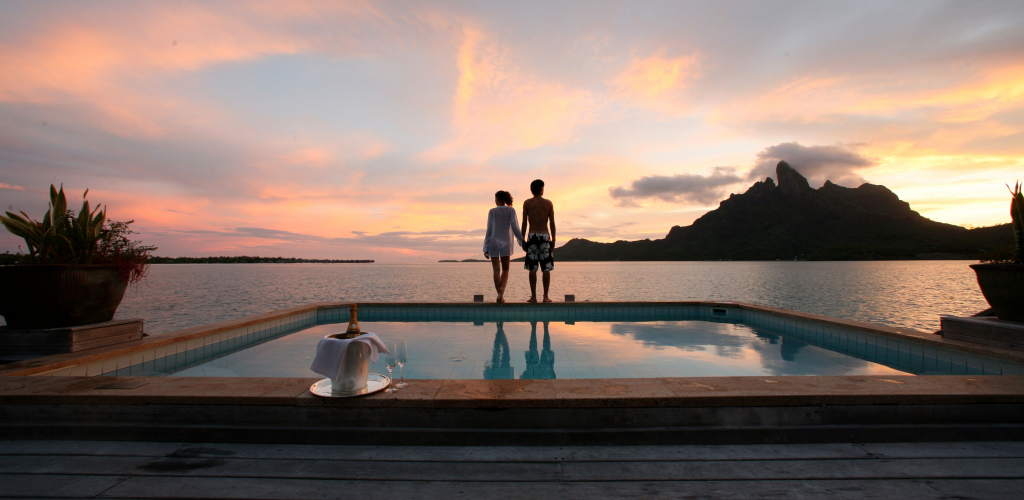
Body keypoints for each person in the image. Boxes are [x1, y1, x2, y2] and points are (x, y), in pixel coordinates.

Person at [483, 190, 524, 303]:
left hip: (494, 243)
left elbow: (489, 230)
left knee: (496, 270)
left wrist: (485, 247)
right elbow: (515, 227)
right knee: (505, 270)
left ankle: (499, 294)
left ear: (498, 199)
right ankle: (502, 289)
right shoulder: (511, 210)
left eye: (495, 199)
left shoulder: (492, 212)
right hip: (505, 243)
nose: (495, 201)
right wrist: (521, 241)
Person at [521, 179, 556, 303]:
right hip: (545, 236)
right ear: (542, 189)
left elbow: (524, 223)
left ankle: (534, 296)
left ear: (531, 190)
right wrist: (554, 239)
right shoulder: (548, 203)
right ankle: (545, 296)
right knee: (546, 268)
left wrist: (522, 240)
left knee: (532, 268)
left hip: (532, 236)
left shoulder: (527, 203)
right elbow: (552, 223)